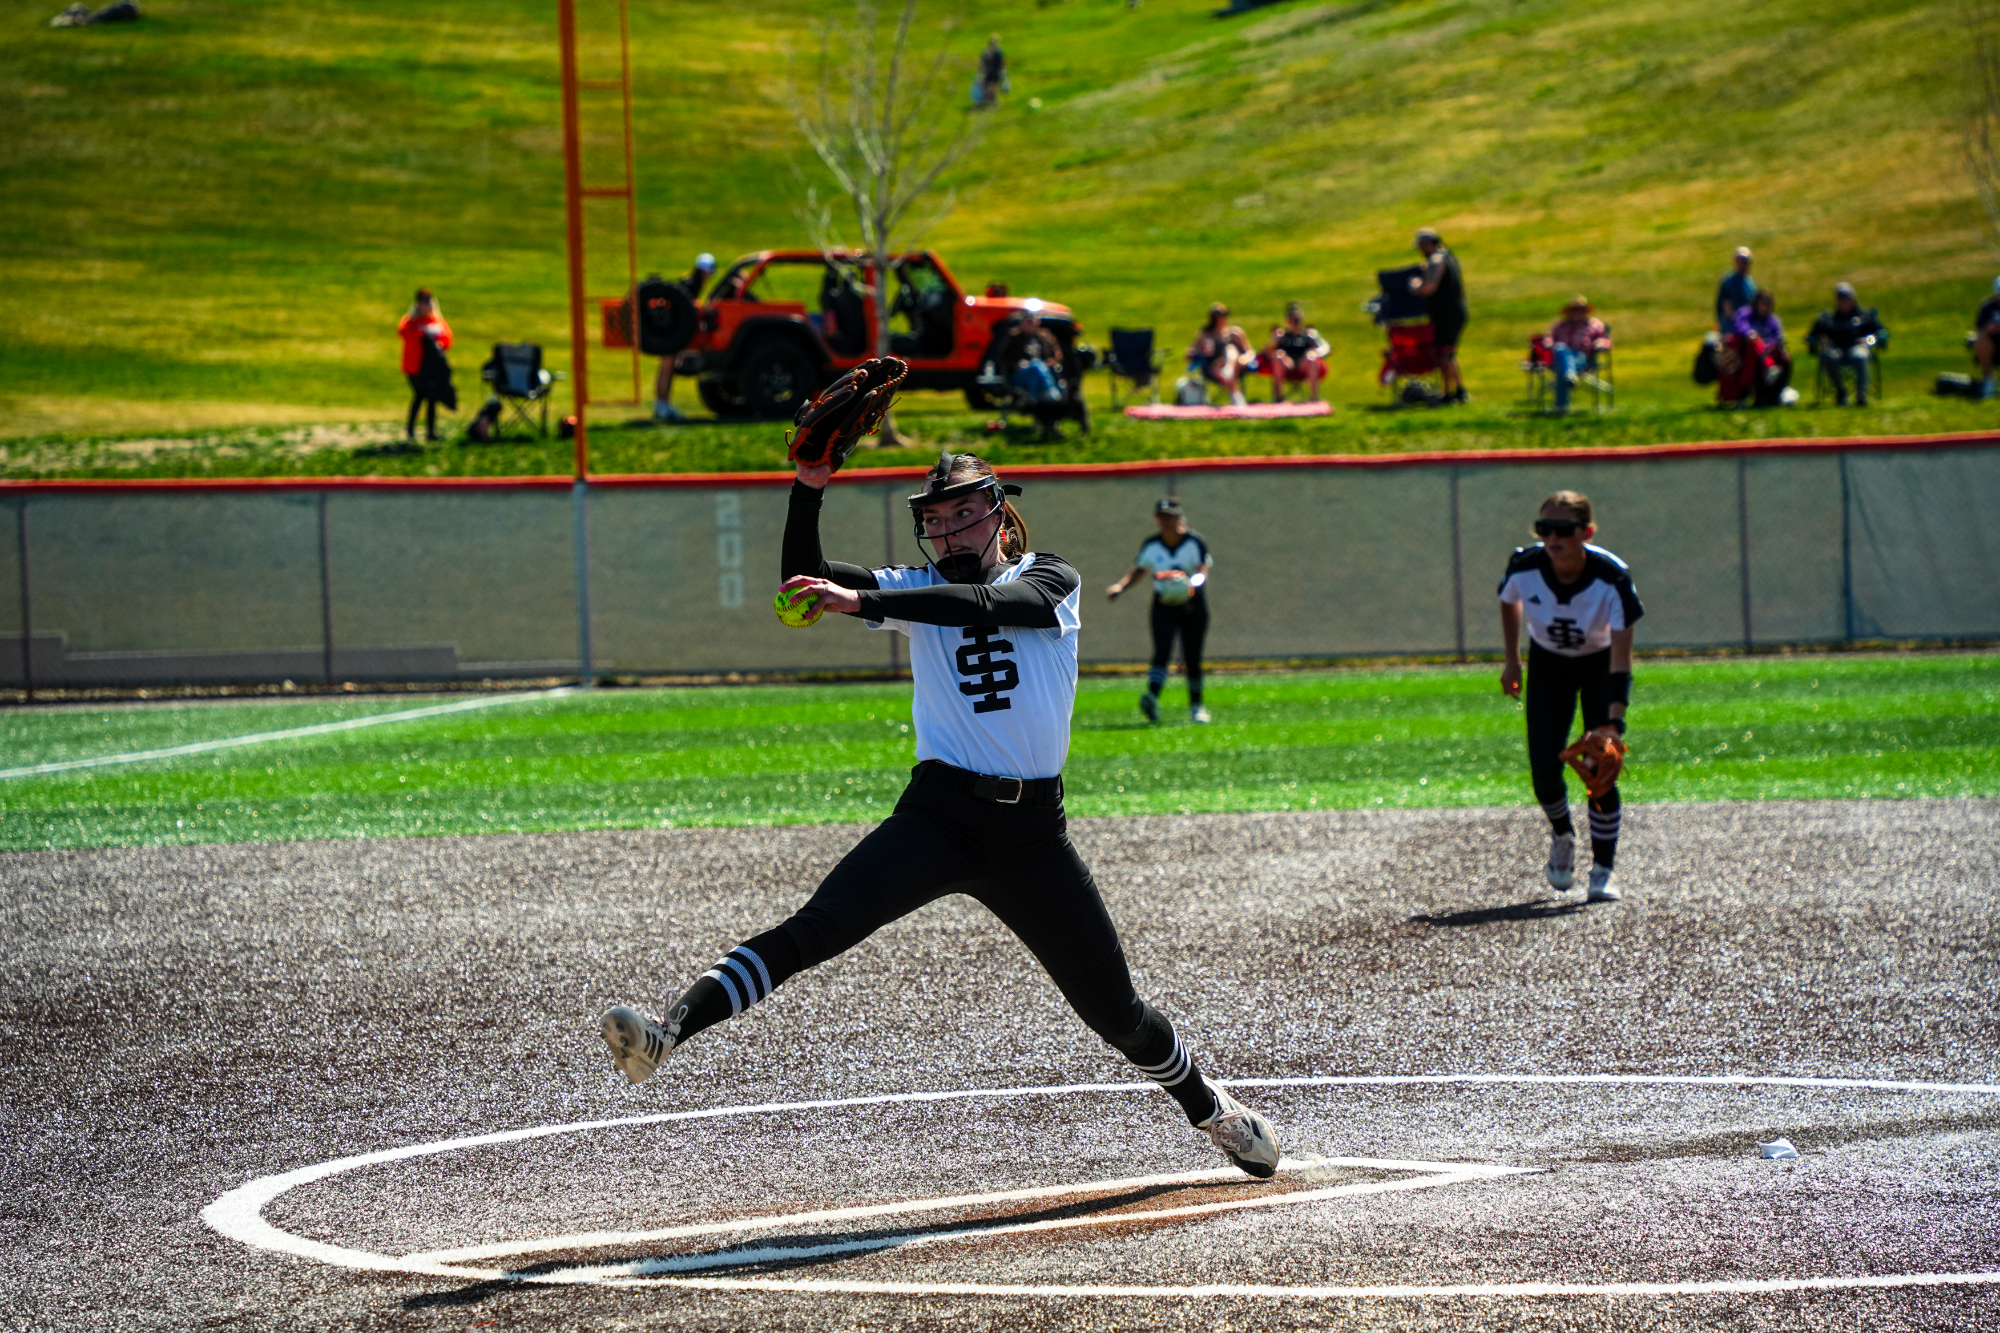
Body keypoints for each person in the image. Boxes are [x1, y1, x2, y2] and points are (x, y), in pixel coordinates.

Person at [599, 450, 1281, 1181]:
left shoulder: (1051, 578)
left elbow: (994, 608)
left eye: (964, 513)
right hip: (939, 816)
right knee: (817, 926)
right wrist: (809, 487)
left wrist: (865, 602)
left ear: (999, 511)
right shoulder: (916, 585)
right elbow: (804, 576)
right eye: (936, 519)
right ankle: (670, 1031)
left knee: (1117, 1014)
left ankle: (1211, 1109)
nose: (950, 531)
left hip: (1031, 837)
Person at [1497, 491, 1644, 904]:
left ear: (1587, 532)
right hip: (1549, 665)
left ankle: (1603, 870)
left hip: (1598, 665)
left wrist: (1615, 720)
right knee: (1544, 772)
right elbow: (1508, 601)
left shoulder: (1610, 576)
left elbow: (1621, 656)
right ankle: (1563, 835)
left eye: (1564, 529)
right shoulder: (1525, 565)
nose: (1553, 537)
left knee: (1601, 766)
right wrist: (1512, 661)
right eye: (1545, 529)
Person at [1107, 498, 1214, 724]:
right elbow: (1140, 569)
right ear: (1157, 520)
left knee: (1193, 655)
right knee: (1162, 651)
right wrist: (1121, 586)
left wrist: (1191, 583)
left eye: (1171, 516)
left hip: (1192, 603)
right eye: (1163, 517)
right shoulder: (1153, 545)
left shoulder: (1194, 542)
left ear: (1179, 518)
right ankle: (1152, 699)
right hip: (1163, 603)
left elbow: (1202, 570)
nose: (1167, 521)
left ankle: (1197, 706)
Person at [654, 253, 716, 422]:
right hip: (672, 332)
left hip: (672, 331)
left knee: (667, 368)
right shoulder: (691, 285)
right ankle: (662, 406)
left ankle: (662, 405)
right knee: (667, 368)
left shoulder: (690, 282)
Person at [1410, 228, 1467, 403]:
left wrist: (1415, 285)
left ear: (1428, 245)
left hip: (1445, 314)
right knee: (1449, 354)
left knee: (1443, 354)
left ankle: (1447, 393)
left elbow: (1429, 288)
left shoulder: (1436, 260)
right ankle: (1459, 390)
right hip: (1455, 311)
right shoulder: (1448, 257)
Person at [1807, 283, 1885, 407]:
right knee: (1827, 356)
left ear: (1853, 299)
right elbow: (1812, 336)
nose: (1844, 302)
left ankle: (1861, 395)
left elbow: (1880, 334)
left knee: (1859, 356)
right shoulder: (1829, 319)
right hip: (1837, 350)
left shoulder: (1864, 317)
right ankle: (1841, 391)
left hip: (1858, 348)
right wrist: (1821, 342)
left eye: (1847, 298)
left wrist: (1868, 341)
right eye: (1841, 299)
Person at [396, 288, 454, 444]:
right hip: (415, 366)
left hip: (432, 367)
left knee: (432, 397)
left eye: (428, 302)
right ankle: (411, 430)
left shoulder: (436, 320)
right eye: (423, 302)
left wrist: (438, 341)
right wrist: (422, 333)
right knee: (420, 394)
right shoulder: (411, 321)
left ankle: (430, 432)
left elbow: (447, 338)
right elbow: (403, 332)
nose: (426, 305)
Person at [1001, 311, 1068, 437]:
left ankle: (1039, 407)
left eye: (1033, 321)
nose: (1030, 324)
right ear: (1022, 323)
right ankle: (1052, 398)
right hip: (1020, 375)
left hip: (1040, 374)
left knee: (1037, 369)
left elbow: (1057, 356)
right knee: (1035, 367)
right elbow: (1002, 359)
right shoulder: (1014, 337)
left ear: (1038, 322)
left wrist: (1049, 363)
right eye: (1027, 321)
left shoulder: (1045, 336)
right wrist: (1017, 363)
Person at [1544, 296, 1611, 415]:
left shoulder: (1594, 325)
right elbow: (1549, 338)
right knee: (1560, 350)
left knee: (1562, 367)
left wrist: (1599, 344)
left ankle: (1561, 407)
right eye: (1574, 310)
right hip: (1559, 357)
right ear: (1569, 312)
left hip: (1583, 359)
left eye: (1581, 310)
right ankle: (1570, 375)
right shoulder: (1560, 325)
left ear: (1586, 311)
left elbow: (1604, 340)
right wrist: (1548, 342)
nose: (1577, 313)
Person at [1725, 289, 1790, 408]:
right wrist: (1751, 334)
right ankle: (1768, 369)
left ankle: (1779, 392)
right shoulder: (1745, 313)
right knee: (1754, 344)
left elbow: (1777, 337)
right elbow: (1739, 326)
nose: (1765, 307)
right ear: (1756, 303)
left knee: (1785, 356)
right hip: (1746, 352)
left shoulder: (1773, 320)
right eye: (1763, 303)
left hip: (1768, 351)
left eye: (1768, 304)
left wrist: (1766, 344)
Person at [1261, 302, 1329, 403]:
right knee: (1278, 356)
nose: (1295, 323)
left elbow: (1325, 347)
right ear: (1287, 321)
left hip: (1304, 365)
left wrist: (1315, 352)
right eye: (1292, 320)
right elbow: (1266, 352)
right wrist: (1275, 341)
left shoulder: (1308, 335)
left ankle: (1314, 397)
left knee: (1311, 357)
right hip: (1287, 365)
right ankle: (1278, 398)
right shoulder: (1282, 336)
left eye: (1297, 320)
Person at [1187, 304, 1252, 406]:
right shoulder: (1206, 335)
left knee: (1231, 349)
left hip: (1236, 365)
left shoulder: (1234, 333)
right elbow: (1189, 353)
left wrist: (1244, 359)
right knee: (1218, 367)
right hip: (1215, 368)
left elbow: (1249, 352)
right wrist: (1203, 351)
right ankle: (1236, 395)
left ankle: (1229, 378)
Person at [1715, 246, 1757, 334]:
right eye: (1741, 261)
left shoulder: (1750, 282)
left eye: (1746, 262)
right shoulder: (1729, 282)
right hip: (1731, 326)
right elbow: (1726, 306)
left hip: (1748, 325)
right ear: (1736, 262)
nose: (1744, 264)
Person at [1973, 277, 2000, 399]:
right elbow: (1980, 329)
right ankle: (1988, 380)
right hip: (1993, 343)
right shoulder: (1987, 307)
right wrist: (1988, 329)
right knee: (1981, 339)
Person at [974, 35, 1007, 107]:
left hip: (994, 73)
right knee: (986, 88)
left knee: (991, 88)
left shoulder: (998, 52)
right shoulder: (987, 52)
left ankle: (994, 103)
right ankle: (991, 102)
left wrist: (1001, 72)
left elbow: (1001, 63)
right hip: (987, 73)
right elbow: (982, 62)